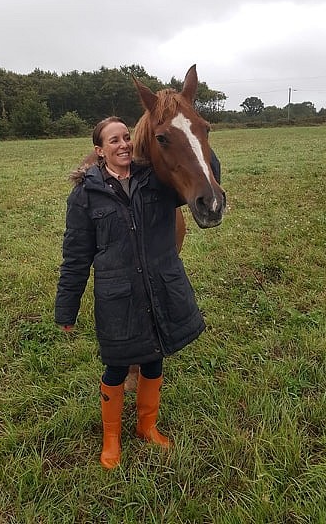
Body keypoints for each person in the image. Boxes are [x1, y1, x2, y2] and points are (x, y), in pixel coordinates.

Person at [55, 116, 220, 469]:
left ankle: (147, 426)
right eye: (113, 140)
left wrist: (189, 127)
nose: (124, 145)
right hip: (118, 294)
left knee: (154, 357)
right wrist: (66, 310)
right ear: (99, 151)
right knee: (115, 367)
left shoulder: (154, 182)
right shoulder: (86, 195)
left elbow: (205, 170)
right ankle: (111, 439)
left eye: (126, 137)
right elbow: (76, 255)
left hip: (156, 286)